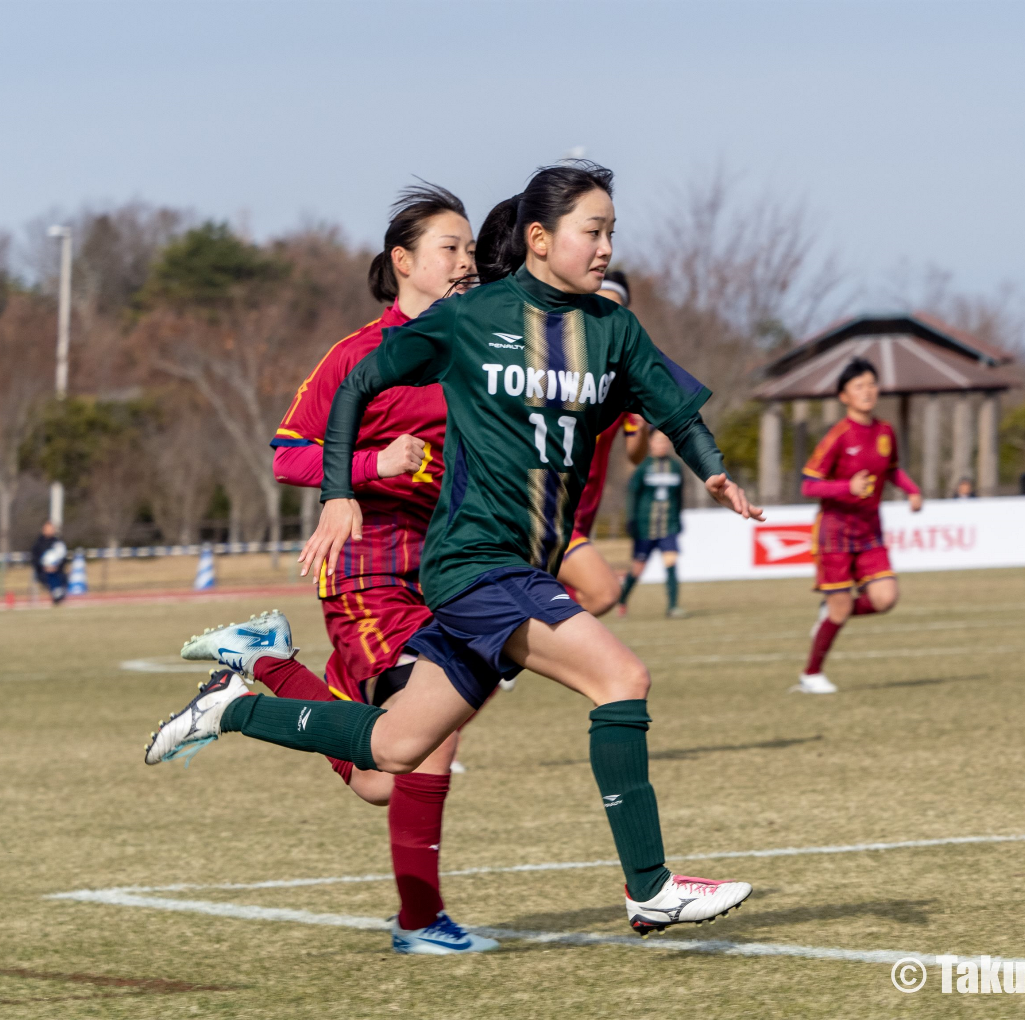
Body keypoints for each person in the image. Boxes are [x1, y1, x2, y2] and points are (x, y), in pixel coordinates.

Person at [146, 162, 763, 936]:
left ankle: (237, 707)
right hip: (458, 561)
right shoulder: (460, 324)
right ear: (538, 240)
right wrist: (349, 486)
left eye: (611, 232)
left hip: (502, 562)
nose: (606, 246)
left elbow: (668, 408)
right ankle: (641, 888)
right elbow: (342, 400)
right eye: (593, 231)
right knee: (622, 674)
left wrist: (713, 472)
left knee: (395, 753)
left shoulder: (602, 329)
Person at [175, 183, 497, 955]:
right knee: (436, 736)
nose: (465, 262)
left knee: (381, 778)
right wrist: (373, 462)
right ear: (403, 262)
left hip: (448, 570)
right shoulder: (359, 357)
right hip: (369, 571)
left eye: (471, 250)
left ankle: (264, 666)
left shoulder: (482, 350)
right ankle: (420, 923)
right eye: (449, 248)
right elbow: (288, 457)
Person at [791, 357, 922, 694]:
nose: (867, 391)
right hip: (834, 531)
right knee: (841, 606)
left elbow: (891, 469)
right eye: (858, 386)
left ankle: (831, 612)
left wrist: (911, 490)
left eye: (871, 384)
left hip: (869, 530)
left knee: (885, 598)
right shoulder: (837, 436)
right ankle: (811, 675)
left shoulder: (885, 431)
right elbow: (808, 484)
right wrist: (845, 487)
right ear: (844, 397)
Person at [555, 268, 649, 615]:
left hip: (584, 511)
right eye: (598, 304)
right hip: (544, 503)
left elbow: (635, 456)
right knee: (598, 595)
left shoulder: (622, 376)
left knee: (575, 602)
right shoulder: (556, 358)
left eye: (616, 308)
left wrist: (641, 428)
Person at [616, 431, 686, 618]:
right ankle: (622, 600)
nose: (662, 444)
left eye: (665, 440)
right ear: (650, 443)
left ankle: (672, 607)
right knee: (637, 568)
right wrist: (631, 520)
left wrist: (678, 519)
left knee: (671, 563)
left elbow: (679, 497)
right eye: (658, 440)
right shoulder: (642, 468)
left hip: (668, 526)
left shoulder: (675, 467)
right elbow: (633, 495)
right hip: (645, 527)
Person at [31, 521, 68, 604]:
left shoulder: (58, 543)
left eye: (52, 529)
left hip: (57, 570)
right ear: (44, 530)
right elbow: (34, 559)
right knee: (49, 577)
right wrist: (43, 567)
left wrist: (56, 566)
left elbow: (63, 558)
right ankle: (57, 595)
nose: (50, 531)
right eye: (48, 529)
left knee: (62, 577)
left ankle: (59, 594)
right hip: (42, 571)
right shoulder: (38, 544)